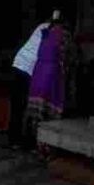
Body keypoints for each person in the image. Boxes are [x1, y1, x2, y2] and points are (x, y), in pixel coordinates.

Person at [25, 10, 74, 146]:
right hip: (52, 72)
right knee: (50, 110)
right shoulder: (64, 34)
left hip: (38, 72)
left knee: (37, 110)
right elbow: (67, 56)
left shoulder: (45, 33)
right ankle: (46, 145)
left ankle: (34, 142)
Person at [9, 15, 50, 148]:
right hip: (27, 68)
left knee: (17, 106)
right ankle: (19, 140)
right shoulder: (50, 31)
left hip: (19, 64)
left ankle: (14, 139)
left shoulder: (43, 26)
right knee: (23, 105)